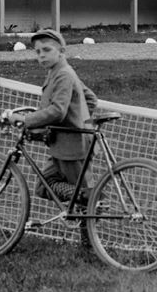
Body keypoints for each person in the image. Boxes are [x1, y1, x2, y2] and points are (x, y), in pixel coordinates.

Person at [9, 29, 100, 207]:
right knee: (44, 186)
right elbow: (90, 99)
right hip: (62, 144)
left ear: (62, 51)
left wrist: (25, 120)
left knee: (83, 197)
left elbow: (58, 111)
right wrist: (77, 118)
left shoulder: (63, 74)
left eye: (47, 50)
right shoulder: (58, 72)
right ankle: (86, 201)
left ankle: (91, 213)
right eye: (37, 52)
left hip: (73, 147)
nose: (41, 55)